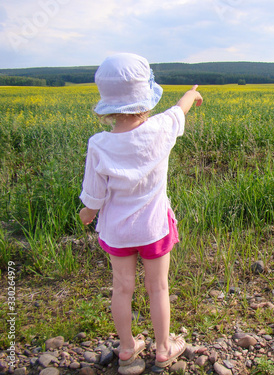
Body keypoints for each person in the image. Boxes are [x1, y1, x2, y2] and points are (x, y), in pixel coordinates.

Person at [78, 53, 203, 369]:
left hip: (117, 233)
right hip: (153, 229)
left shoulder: (99, 144)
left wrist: (87, 214)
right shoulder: (161, 128)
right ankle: (163, 348)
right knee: (158, 287)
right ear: (146, 97)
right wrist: (192, 93)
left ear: (108, 103)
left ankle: (127, 346)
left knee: (121, 287)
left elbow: (94, 196)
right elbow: (180, 108)